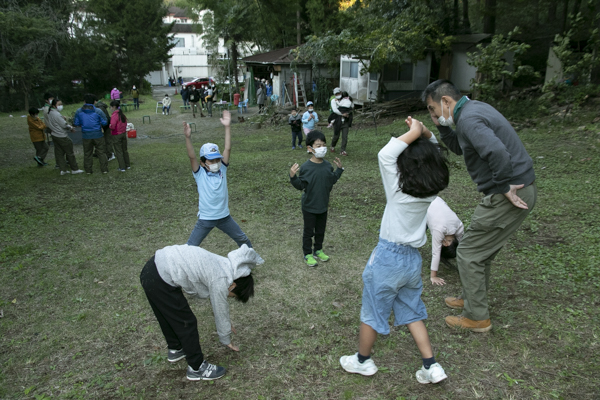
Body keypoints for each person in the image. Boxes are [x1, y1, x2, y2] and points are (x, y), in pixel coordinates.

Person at [339, 117, 449, 384]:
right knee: (412, 311)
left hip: (388, 259)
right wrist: (424, 133)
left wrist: (413, 132)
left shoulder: (398, 190)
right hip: (412, 261)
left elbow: (385, 154)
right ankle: (431, 366)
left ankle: (362, 361)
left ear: (406, 167)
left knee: (373, 311)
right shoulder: (430, 191)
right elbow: (434, 152)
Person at [422, 79, 537, 332]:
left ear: (446, 101)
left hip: (509, 193)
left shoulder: (469, 119)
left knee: (469, 253)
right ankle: (473, 300)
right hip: (519, 189)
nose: (432, 114)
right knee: (480, 253)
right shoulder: (472, 111)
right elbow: (460, 148)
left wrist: (504, 185)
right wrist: (439, 126)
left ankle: (477, 318)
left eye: (432, 109)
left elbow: (496, 152)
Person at [140, 243, 262, 381]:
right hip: (161, 277)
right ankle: (197, 368)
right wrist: (226, 338)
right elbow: (220, 309)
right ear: (233, 285)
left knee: (166, 315)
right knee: (187, 322)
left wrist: (228, 324)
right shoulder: (222, 280)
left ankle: (176, 349)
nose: (228, 296)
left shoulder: (224, 264)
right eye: (232, 295)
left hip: (152, 268)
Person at [184, 110, 252, 248]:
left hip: (224, 217)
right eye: (211, 161)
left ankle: (250, 261)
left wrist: (227, 127)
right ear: (203, 162)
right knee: (190, 247)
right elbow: (192, 156)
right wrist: (187, 138)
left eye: (217, 160)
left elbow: (228, 148)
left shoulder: (222, 169)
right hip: (205, 219)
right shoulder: (199, 173)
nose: (215, 163)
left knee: (243, 240)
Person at [289, 130, 344, 267]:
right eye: (318, 145)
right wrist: (293, 177)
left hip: (323, 205)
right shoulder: (306, 167)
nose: (322, 148)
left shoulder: (327, 166)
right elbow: (300, 185)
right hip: (309, 206)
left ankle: (318, 250)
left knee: (320, 230)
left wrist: (339, 170)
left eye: (324, 145)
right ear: (310, 148)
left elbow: (331, 180)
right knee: (309, 231)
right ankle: (307, 253)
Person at [426, 196, 464, 285]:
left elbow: (462, 246)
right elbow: (436, 253)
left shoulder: (459, 226)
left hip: (436, 198)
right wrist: (433, 276)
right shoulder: (438, 230)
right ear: (446, 244)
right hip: (424, 202)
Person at [45, 100, 84, 175]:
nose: (61, 106)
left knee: (59, 152)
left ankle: (63, 169)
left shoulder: (50, 113)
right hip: (61, 135)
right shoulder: (56, 114)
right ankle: (74, 168)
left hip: (54, 134)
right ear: (54, 105)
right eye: (59, 104)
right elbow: (64, 124)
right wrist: (71, 128)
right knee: (69, 152)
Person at [73, 93, 109, 174]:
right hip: (98, 134)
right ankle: (104, 169)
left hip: (86, 135)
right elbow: (105, 122)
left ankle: (88, 170)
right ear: (94, 102)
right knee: (101, 152)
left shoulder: (79, 111)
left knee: (87, 153)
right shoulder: (98, 111)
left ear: (84, 101)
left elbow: (76, 123)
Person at [109, 100, 131, 172]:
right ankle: (127, 165)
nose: (110, 108)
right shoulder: (122, 115)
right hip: (123, 134)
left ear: (114, 107)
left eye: (111, 107)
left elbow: (112, 126)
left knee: (119, 151)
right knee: (124, 150)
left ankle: (122, 167)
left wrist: (109, 126)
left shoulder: (114, 115)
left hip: (116, 135)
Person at [330, 90, 353, 156]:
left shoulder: (346, 100)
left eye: (339, 93)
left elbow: (350, 108)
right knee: (336, 136)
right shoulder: (333, 101)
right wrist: (342, 114)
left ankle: (343, 150)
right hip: (337, 121)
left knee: (345, 136)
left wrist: (348, 114)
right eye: (336, 94)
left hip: (345, 121)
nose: (338, 94)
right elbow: (335, 110)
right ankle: (332, 145)